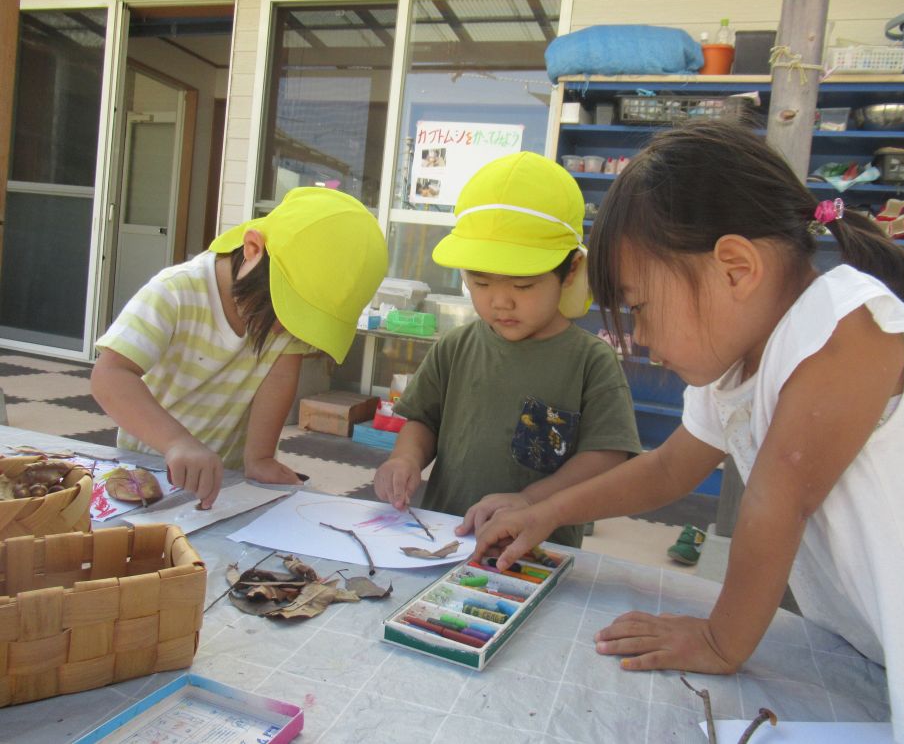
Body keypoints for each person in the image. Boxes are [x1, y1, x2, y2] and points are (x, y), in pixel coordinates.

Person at [472, 124, 904, 744]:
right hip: (895, 642)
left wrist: (721, 640)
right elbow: (667, 470)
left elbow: (779, 502)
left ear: (735, 268)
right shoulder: (740, 368)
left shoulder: (846, 326)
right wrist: (543, 509)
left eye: (640, 307)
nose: (639, 337)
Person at [373, 151, 642, 546]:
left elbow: (607, 456)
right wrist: (405, 459)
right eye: (481, 284)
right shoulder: (455, 348)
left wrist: (529, 500)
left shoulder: (590, 362)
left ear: (569, 272)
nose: (500, 302)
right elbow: (422, 421)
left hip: (536, 548)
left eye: (522, 286)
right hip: (445, 536)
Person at [92, 187, 388, 508]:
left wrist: (259, 457)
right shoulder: (174, 292)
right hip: (150, 470)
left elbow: (277, 381)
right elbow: (110, 375)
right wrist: (177, 443)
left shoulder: (283, 326)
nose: (284, 329)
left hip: (229, 478)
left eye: (305, 319)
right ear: (252, 248)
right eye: (285, 309)